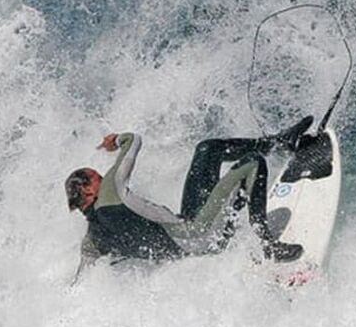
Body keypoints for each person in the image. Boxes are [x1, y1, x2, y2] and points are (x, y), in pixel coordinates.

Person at [66, 116, 313, 280]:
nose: (103, 177)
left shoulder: (92, 242)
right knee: (253, 163)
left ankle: (280, 143)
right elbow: (133, 140)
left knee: (208, 149)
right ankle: (268, 245)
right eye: (97, 177)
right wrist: (115, 141)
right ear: (88, 191)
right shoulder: (109, 189)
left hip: (187, 234)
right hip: (203, 235)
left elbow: (81, 283)